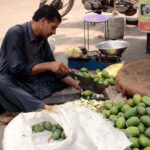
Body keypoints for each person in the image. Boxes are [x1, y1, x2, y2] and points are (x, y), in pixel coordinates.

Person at [0, 5, 82, 117]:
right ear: (43, 21)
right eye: (53, 27)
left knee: (69, 74)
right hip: (16, 83)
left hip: (33, 83)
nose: (54, 32)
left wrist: (76, 84)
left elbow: (55, 69)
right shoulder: (16, 33)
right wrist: (48, 65)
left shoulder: (42, 38)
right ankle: (41, 107)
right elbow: (16, 69)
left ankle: (27, 100)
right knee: (1, 82)